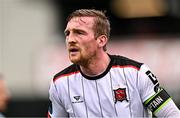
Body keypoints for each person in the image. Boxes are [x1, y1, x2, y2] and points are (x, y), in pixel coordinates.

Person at [48, 9, 180, 117]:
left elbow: (171, 114)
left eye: (79, 33)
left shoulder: (136, 73)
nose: (70, 39)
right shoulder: (59, 83)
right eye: (67, 34)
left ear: (101, 40)